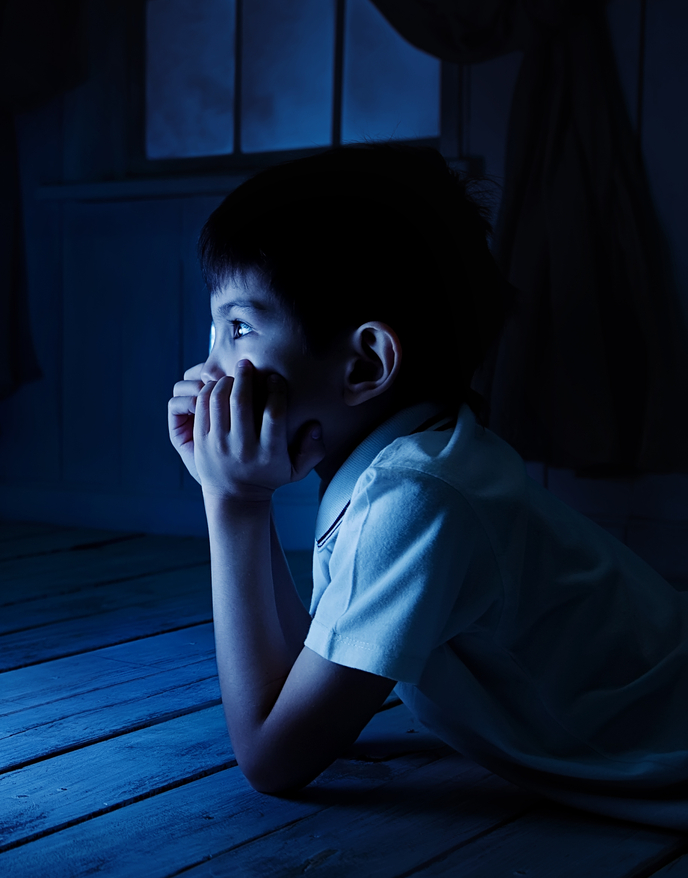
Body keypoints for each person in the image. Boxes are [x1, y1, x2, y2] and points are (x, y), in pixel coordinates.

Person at [165, 144, 687, 830]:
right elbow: (304, 672)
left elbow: (272, 756)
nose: (210, 373)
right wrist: (238, 492)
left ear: (366, 364)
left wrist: (231, 501)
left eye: (238, 330)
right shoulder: (414, 459)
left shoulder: (417, 497)